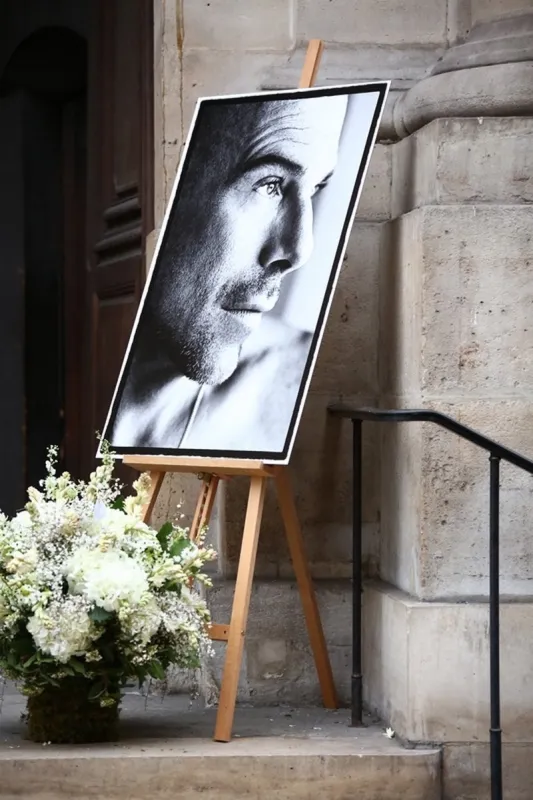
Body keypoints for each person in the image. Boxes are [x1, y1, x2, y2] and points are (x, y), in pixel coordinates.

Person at [105, 93, 348, 454]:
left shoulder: (287, 392)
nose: (298, 251)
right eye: (270, 184)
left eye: (313, 190)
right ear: (173, 187)